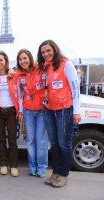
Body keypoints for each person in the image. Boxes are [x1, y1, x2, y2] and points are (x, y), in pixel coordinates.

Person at [37, 40, 81, 188]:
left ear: (55, 50)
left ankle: (64, 174)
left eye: (48, 51)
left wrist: (77, 111)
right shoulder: (46, 67)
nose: (46, 54)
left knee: (64, 144)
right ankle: (55, 172)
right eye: (43, 52)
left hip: (64, 109)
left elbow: (75, 88)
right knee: (54, 144)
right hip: (49, 109)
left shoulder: (66, 64)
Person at [16, 49, 48, 177]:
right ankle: (32, 166)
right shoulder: (19, 75)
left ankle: (41, 166)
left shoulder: (41, 69)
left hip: (41, 110)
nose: (23, 61)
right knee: (30, 140)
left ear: (30, 58)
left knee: (40, 140)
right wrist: (20, 110)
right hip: (28, 110)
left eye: (25, 58)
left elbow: (48, 87)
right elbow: (19, 94)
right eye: (20, 59)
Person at [0, 51, 21, 177]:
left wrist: (20, 111)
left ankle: (13, 165)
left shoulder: (14, 75)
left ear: (6, 61)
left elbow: (20, 93)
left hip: (11, 111)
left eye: (1, 60)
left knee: (13, 140)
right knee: (1, 139)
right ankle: (3, 164)